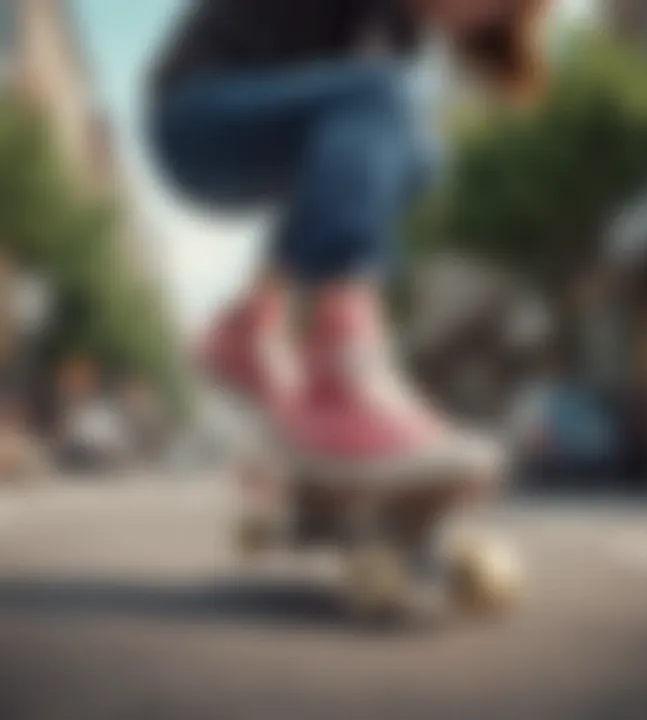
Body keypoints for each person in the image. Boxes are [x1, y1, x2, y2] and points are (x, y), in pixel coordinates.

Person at [148, 0, 550, 482]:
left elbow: (339, 168)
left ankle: (251, 325)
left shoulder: (400, 33)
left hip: (263, 128)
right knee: (378, 102)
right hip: (197, 113)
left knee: (411, 157)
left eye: (495, 20)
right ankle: (342, 373)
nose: (478, 21)